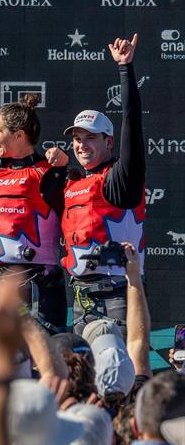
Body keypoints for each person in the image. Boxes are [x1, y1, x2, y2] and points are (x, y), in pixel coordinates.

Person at [55, 34, 146, 336]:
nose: (81, 146)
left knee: (118, 374)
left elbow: (132, 124)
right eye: (77, 139)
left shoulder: (120, 178)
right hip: (80, 296)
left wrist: (125, 69)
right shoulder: (73, 182)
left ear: (108, 141)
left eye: (90, 138)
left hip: (118, 293)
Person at [0, 94, 69, 332]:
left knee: (44, 359)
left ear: (18, 135)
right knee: (2, 359)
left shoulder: (48, 172)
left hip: (39, 283)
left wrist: (62, 165)